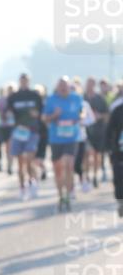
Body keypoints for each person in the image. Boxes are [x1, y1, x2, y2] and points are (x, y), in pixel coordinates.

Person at [43, 76, 85, 213]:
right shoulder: (51, 100)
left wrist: (81, 116)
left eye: (65, 86)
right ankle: (61, 195)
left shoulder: (76, 98)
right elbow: (44, 119)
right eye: (61, 86)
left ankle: (69, 190)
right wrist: (54, 115)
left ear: (69, 86)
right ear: (57, 87)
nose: (63, 88)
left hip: (71, 138)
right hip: (56, 139)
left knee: (68, 164)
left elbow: (82, 111)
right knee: (58, 169)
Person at [7, 73, 44, 200]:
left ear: (29, 81)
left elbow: (41, 113)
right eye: (22, 80)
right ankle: (22, 188)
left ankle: (33, 181)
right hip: (18, 132)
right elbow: (7, 112)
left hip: (32, 131)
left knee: (29, 159)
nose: (24, 82)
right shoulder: (13, 97)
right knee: (20, 163)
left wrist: (37, 114)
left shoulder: (35, 96)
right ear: (19, 81)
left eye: (26, 80)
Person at [84, 77, 109, 190]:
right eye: (88, 84)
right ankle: (87, 176)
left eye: (92, 84)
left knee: (96, 155)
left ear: (94, 85)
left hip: (99, 131)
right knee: (88, 154)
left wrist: (99, 116)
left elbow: (107, 115)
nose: (90, 86)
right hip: (86, 131)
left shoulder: (100, 98)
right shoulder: (82, 98)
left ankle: (95, 175)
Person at [106, 98, 123, 216]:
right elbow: (110, 131)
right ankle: (121, 201)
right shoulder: (117, 110)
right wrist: (111, 151)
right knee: (119, 177)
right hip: (119, 152)